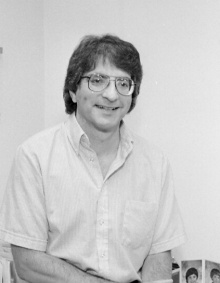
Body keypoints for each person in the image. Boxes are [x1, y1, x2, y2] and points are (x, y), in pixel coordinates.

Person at [0, 34, 187, 283]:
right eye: (97, 80)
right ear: (73, 90)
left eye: (123, 83)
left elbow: (159, 256)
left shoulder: (155, 163)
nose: (112, 95)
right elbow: (27, 261)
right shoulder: (34, 157)